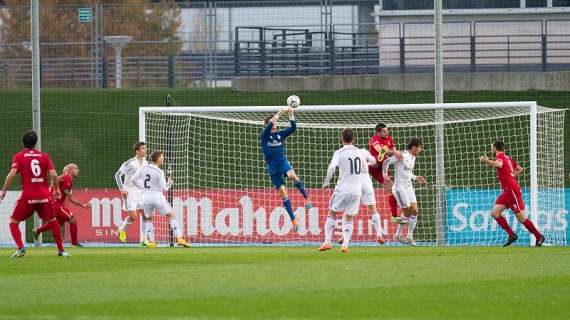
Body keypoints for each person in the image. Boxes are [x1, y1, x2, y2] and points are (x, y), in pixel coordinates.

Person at [0, 131, 69, 257]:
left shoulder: (19, 156)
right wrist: (57, 190)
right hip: (44, 196)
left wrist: (4, 190)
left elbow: (11, 174)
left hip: (28, 196)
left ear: (23, 142)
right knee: (53, 220)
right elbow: (53, 174)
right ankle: (61, 250)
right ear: (36, 142)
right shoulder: (44, 156)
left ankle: (21, 249)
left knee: (13, 222)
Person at [320, 128, 376, 253]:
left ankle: (327, 242)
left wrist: (326, 183)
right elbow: (366, 166)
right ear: (354, 139)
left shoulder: (339, 153)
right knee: (349, 218)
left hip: (342, 188)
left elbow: (331, 168)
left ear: (342, 138)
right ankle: (345, 245)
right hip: (356, 190)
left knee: (332, 214)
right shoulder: (360, 152)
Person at [480, 140, 545, 247]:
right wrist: (511, 176)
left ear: (495, 148)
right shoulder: (508, 158)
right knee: (495, 213)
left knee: (520, 217)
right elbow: (519, 169)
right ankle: (511, 235)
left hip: (511, 190)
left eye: (492, 146)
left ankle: (539, 236)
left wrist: (486, 160)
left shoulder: (500, 157)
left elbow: (499, 164)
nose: (492, 148)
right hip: (507, 190)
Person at [261, 106, 311, 231]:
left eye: (275, 123)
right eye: (273, 123)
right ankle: (294, 219)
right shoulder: (265, 135)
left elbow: (293, 128)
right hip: (273, 167)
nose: (275, 124)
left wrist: (291, 115)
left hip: (282, 161)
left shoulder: (279, 135)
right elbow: (271, 122)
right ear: (269, 125)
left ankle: (306, 197)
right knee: (283, 193)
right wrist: (280, 112)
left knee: (293, 175)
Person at [34, 163, 90, 247]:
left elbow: (71, 198)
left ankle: (37, 231)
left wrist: (82, 205)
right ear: (70, 170)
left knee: (57, 223)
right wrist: (55, 188)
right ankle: (74, 243)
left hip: (55, 204)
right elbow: (54, 180)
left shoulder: (70, 182)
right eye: (76, 169)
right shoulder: (65, 178)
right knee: (72, 219)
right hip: (55, 204)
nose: (78, 171)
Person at [383, 138, 425, 246]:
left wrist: (416, 178)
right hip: (400, 188)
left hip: (409, 187)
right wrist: (385, 175)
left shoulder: (413, 158)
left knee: (415, 211)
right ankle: (397, 234)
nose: (420, 149)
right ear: (414, 147)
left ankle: (410, 237)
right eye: (419, 147)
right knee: (407, 212)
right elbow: (386, 161)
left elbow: (408, 173)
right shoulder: (402, 155)